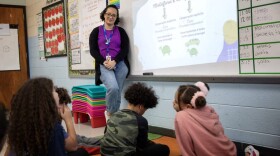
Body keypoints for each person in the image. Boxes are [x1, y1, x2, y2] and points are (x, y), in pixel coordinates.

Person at [7, 77, 88, 156]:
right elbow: (73, 146)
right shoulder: (54, 129)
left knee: (82, 142)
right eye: (53, 89)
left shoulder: (19, 124)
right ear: (45, 98)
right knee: (81, 151)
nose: (56, 92)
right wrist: (69, 119)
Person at [100, 82, 170, 156]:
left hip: (103, 154)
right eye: (145, 109)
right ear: (140, 107)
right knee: (164, 149)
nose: (144, 112)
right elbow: (142, 146)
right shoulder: (141, 120)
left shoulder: (113, 115)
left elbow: (106, 135)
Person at [89, 4, 130, 120]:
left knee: (118, 91)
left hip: (120, 64)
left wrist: (115, 61)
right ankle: (110, 115)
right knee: (113, 88)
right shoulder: (96, 31)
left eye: (114, 15)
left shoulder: (121, 31)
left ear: (116, 17)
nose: (111, 17)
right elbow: (93, 50)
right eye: (108, 14)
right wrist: (104, 61)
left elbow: (125, 49)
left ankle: (114, 118)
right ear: (104, 15)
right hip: (104, 64)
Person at [173, 84, 237, 156]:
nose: (173, 103)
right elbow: (221, 132)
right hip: (230, 151)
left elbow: (186, 150)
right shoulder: (209, 109)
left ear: (188, 106)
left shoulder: (181, 116)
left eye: (176, 101)